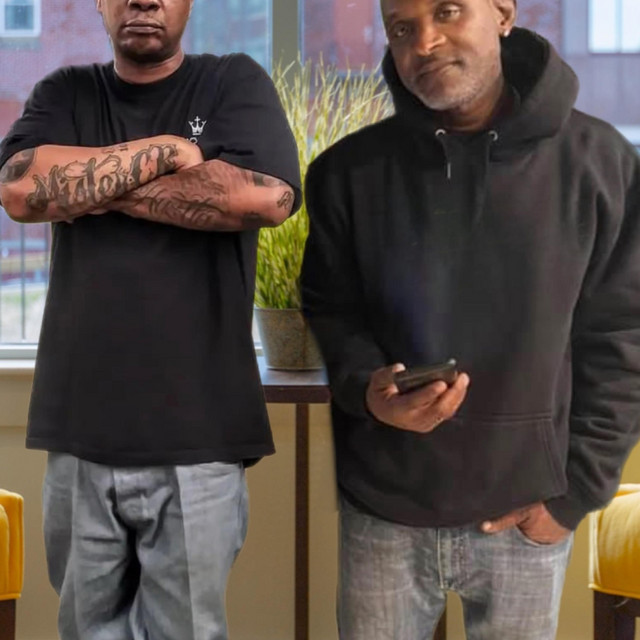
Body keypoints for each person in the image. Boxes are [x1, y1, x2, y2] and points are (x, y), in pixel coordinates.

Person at [301, 0, 640, 638]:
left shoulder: (600, 164)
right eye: (402, 28)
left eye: (448, 11)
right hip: (382, 511)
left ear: (503, 12)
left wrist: (574, 496)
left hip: (526, 510)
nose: (424, 42)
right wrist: (369, 390)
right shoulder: (346, 173)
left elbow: (623, 335)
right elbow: (332, 311)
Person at [0, 1, 300, 638]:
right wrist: (168, 151)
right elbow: (22, 190)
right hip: (80, 427)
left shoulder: (232, 82)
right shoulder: (66, 91)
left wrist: (91, 186)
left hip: (201, 432)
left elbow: (264, 197)